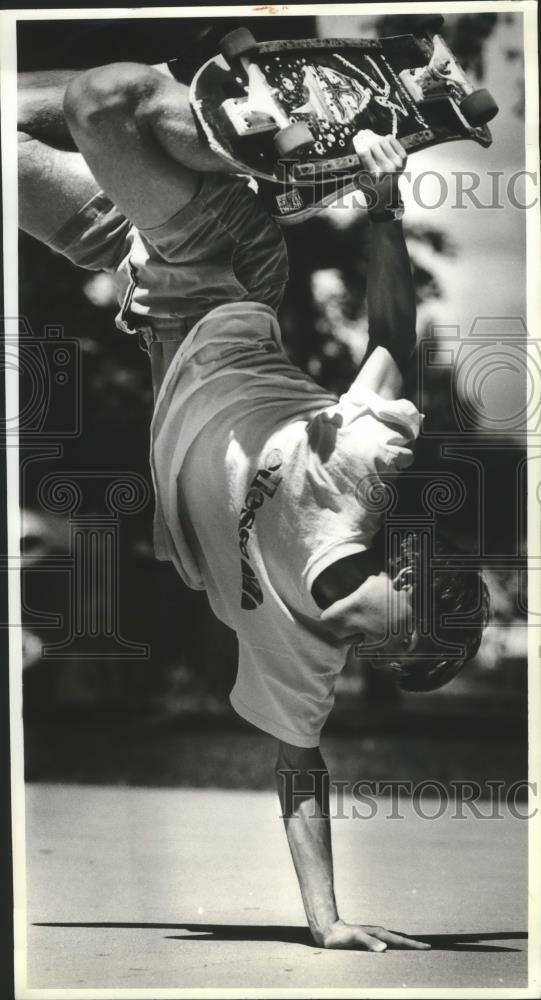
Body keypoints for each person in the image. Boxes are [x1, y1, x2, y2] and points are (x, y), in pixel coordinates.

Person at [18, 60, 489, 952]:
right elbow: (394, 343)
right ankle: (293, 140)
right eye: (414, 615)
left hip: (144, 292)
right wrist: (384, 209)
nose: (392, 639)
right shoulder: (361, 471)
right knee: (102, 102)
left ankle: (252, 132)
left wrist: (328, 923)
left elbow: (300, 772)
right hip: (227, 270)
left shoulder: (297, 662)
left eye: (406, 649)